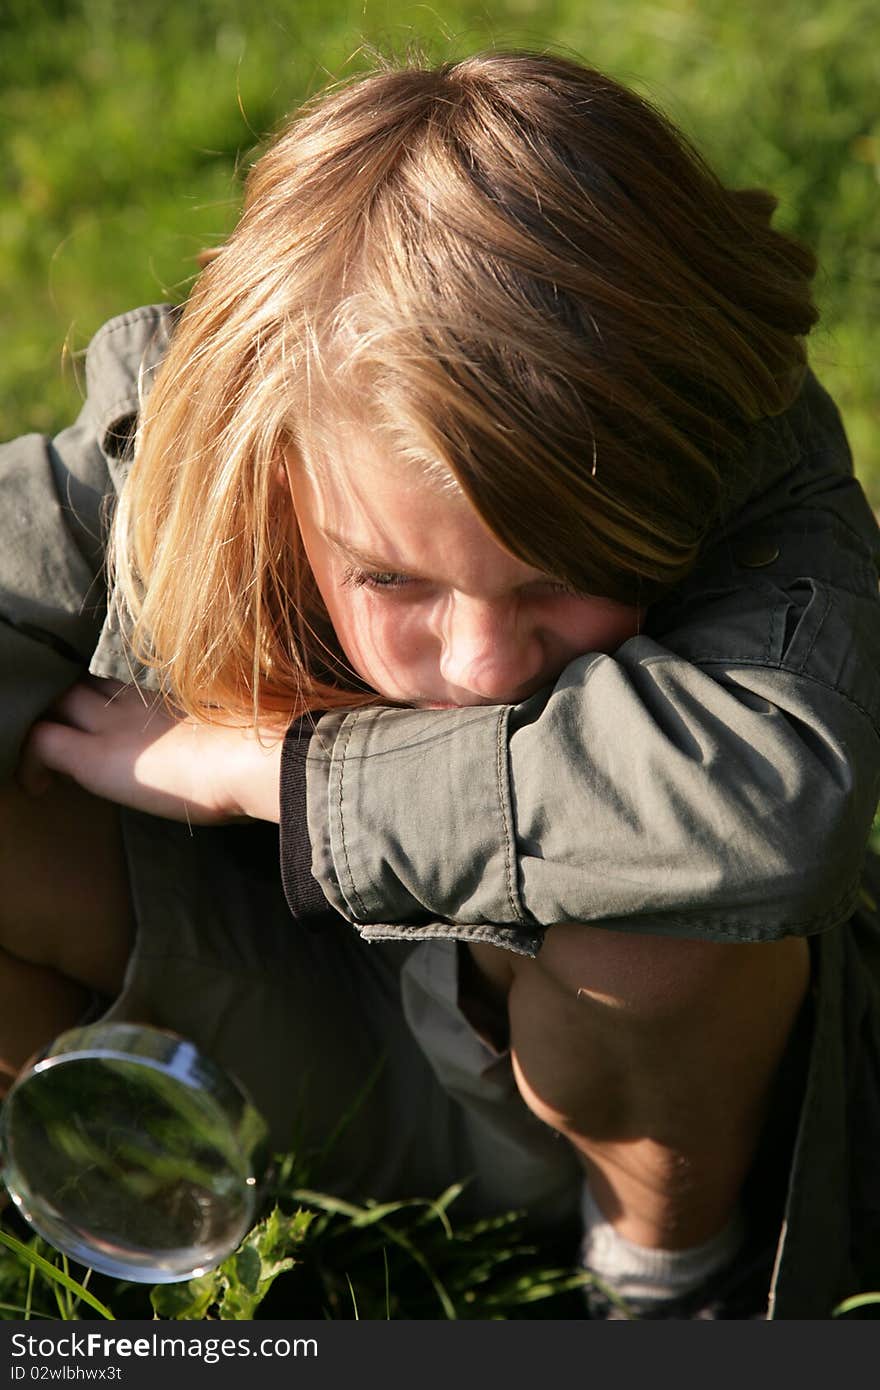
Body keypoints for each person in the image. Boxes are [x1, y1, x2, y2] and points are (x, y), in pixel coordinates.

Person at [1, 52, 879, 1320]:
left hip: (639, 1096)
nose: (480, 663)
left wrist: (275, 769)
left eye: (557, 579)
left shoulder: (743, 457)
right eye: (393, 582)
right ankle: (128, 1183)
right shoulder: (225, 430)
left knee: (664, 906)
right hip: (279, 1023)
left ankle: (667, 1284)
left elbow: (773, 799)